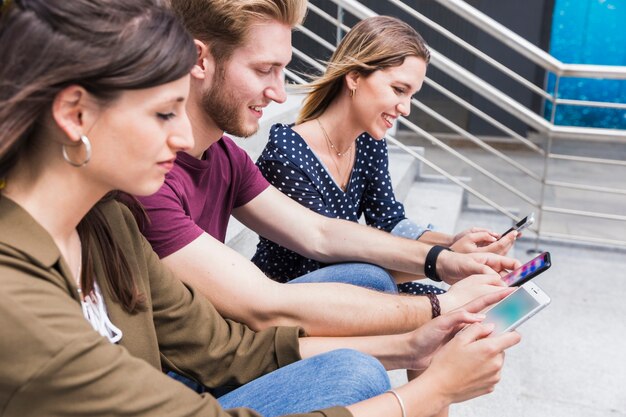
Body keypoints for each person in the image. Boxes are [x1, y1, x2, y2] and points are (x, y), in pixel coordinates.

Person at [0, 1, 524, 416]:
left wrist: (417, 327)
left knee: (363, 331)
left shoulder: (110, 222)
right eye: (164, 112)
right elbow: (265, 307)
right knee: (357, 369)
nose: (182, 136)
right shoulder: (21, 289)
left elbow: (233, 340)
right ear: (74, 113)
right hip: (176, 379)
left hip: (188, 359)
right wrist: (426, 374)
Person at [137, 0, 520, 339]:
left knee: (377, 288)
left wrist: (444, 257)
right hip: (202, 354)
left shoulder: (226, 156)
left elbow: (319, 232)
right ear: (199, 60)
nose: (280, 93)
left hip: (234, 329)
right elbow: (268, 301)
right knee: (371, 343)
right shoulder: (146, 179)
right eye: (263, 69)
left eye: (282, 70)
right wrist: (441, 304)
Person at [252, 17, 505, 295]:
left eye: (412, 95)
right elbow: (329, 255)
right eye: (399, 90)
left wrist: (451, 243)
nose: (406, 108)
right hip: (292, 294)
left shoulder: (368, 141)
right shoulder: (286, 153)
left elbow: (388, 221)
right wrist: (444, 261)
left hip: (349, 283)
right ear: (355, 77)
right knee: (444, 310)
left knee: (468, 313)